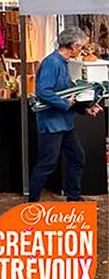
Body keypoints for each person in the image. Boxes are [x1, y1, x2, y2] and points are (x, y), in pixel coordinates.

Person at [29, 26, 102, 202]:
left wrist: (86, 108)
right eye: (81, 46)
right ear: (73, 45)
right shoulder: (51, 63)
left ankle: (74, 197)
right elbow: (43, 92)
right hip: (52, 124)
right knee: (46, 165)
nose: (81, 50)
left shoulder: (63, 63)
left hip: (64, 123)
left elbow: (69, 94)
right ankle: (31, 203)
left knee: (77, 158)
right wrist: (64, 103)